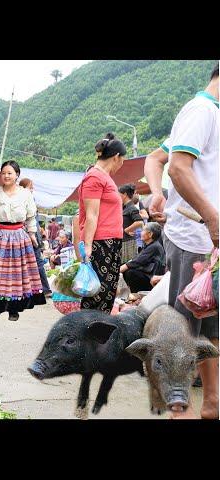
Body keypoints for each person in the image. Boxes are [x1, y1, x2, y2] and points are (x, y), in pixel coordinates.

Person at [145, 65, 219, 420]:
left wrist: (157, 194)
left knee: (211, 328)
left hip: (210, 239)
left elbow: (155, 159)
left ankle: (211, 403)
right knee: (184, 330)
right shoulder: (201, 110)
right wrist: (212, 216)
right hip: (194, 237)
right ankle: (180, 409)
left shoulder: (211, 114)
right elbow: (176, 166)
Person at [0, 162, 45, 321]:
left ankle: (14, 309)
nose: (6, 176)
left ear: (17, 175)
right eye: (4, 173)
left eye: (10, 173)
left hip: (19, 237)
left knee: (15, 276)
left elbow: (31, 216)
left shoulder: (25, 194)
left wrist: (32, 234)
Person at [77, 132, 127, 313]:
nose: (122, 164)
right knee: (97, 293)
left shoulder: (105, 178)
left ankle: (98, 336)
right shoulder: (94, 177)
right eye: (123, 160)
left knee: (106, 292)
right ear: (116, 157)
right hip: (100, 242)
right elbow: (91, 215)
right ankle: (87, 335)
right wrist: (88, 246)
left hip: (111, 241)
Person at [19, 178, 52, 296]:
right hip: (30, 237)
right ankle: (44, 289)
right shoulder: (27, 199)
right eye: (30, 187)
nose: (32, 189)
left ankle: (37, 289)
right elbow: (30, 221)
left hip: (28, 236)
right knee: (37, 263)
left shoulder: (23, 199)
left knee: (29, 263)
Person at [120, 222, 166, 293]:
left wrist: (120, 270)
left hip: (152, 278)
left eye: (143, 230)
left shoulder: (154, 247)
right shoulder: (149, 245)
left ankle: (137, 294)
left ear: (150, 234)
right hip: (147, 273)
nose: (141, 232)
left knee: (130, 273)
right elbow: (136, 259)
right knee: (125, 267)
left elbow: (137, 261)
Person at [119, 183, 145, 263]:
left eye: (119, 194)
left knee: (127, 266)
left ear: (125, 194)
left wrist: (127, 230)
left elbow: (139, 222)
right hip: (124, 241)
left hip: (128, 242)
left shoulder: (131, 207)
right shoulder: (125, 207)